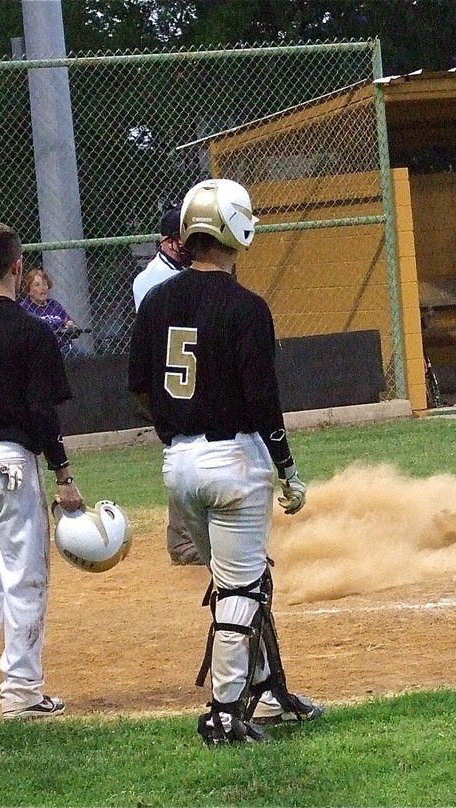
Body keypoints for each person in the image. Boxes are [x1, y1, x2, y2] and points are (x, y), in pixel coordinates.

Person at [127, 178, 322, 745]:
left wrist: (172, 423)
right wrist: (287, 467)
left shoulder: (158, 298)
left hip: (179, 464)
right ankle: (225, 711)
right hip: (234, 461)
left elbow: (139, 382)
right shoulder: (247, 307)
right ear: (237, 229)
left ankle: (270, 685)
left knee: (244, 580)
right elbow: (263, 400)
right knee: (241, 592)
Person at [0, 221, 83, 721]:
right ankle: (23, 692)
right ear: (17, 267)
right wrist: (63, 473)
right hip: (9, 462)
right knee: (24, 578)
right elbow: (41, 412)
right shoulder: (31, 330)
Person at [131, 203, 201, 565]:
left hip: (192, 369)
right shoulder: (151, 279)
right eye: (185, 238)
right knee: (184, 447)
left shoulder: (189, 273)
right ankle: (184, 540)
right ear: (170, 242)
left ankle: (197, 533)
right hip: (173, 376)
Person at [18, 267, 83, 358]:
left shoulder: (54, 305)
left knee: (86, 358)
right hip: (41, 351)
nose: (42, 288)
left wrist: (70, 325)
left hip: (64, 347)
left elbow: (69, 322)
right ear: (29, 290)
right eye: (37, 285)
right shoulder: (24, 307)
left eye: (44, 284)